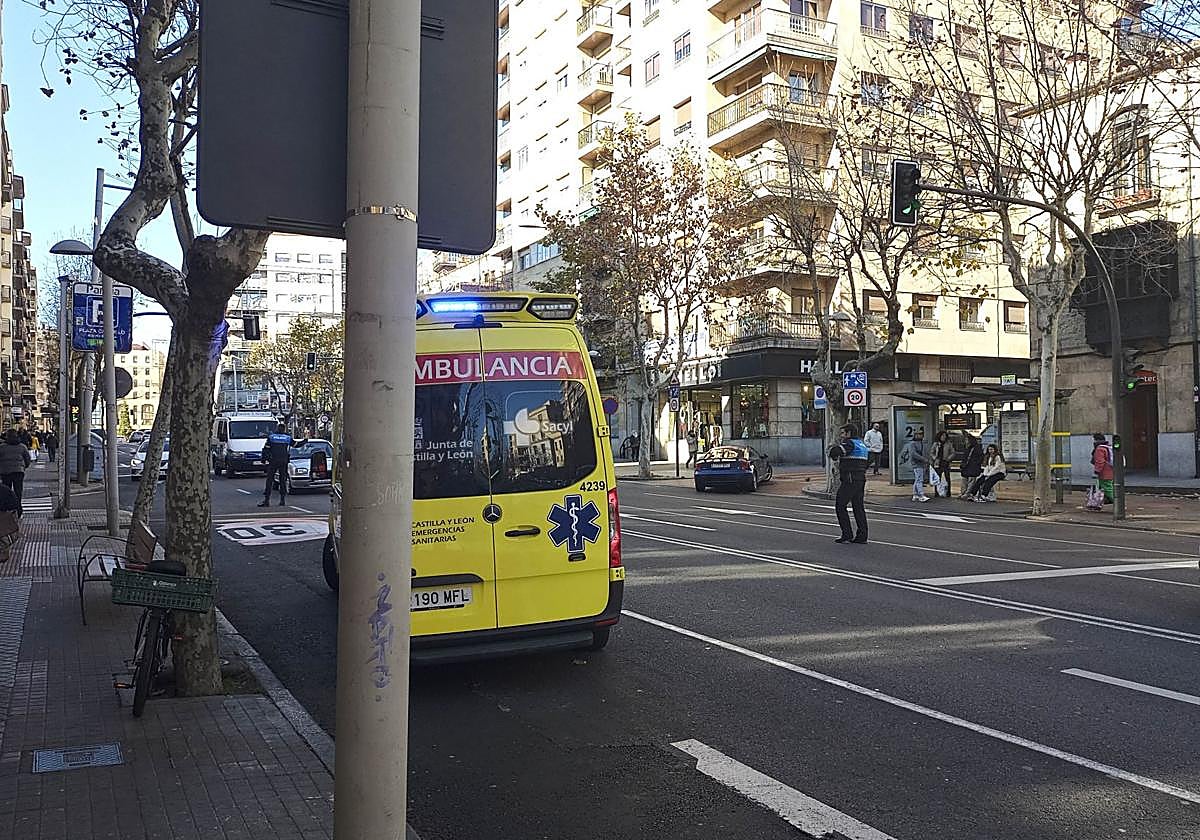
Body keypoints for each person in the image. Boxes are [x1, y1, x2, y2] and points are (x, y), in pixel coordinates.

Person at [829, 423, 870, 544]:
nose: (841, 436)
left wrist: (833, 452)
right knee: (858, 507)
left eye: (843, 433)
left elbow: (837, 451)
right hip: (860, 478)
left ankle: (846, 533)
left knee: (840, 505)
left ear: (849, 433)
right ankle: (862, 536)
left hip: (850, 478)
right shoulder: (862, 444)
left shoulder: (850, 443)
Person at [259, 424, 304, 507]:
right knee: (282, 480)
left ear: (277, 429)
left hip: (273, 461)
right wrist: (305, 441)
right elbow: (296, 445)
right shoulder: (287, 438)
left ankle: (267, 500)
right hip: (283, 461)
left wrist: (263, 459)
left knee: (269, 480)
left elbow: (266, 449)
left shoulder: (271, 437)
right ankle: (282, 500)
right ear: (284, 430)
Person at [0, 430, 31, 515]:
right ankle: (19, 509)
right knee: (18, 491)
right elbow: (27, 458)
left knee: (6, 491)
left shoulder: (2, 447)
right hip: (18, 471)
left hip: (5, 472)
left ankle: (6, 509)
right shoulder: (22, 446)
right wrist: (24, 466)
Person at [1091, 432, 1115, 503]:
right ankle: (1103, 501)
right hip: (1111, 471)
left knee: (1108, 489)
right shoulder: (1108, 446)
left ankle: (1118, 503)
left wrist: (1097, 471)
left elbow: (1100, 461)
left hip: (1104, 473)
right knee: (1105, 487)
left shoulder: (1099, 449)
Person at [909, 427, 931, 502]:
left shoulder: (922, 443)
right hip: (917, 463)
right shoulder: (913, 443)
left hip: (922, 463)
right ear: (915, 435)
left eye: (922, 434)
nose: (921, 435)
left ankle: (915, 494)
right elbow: (913, 454)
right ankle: (921, 495)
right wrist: (923, 459)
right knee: (919, 480)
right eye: (919, 434)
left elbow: (925, 452)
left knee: (917, 479)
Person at [959, 433, 983, 498]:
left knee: (971, 481)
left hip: (972, 467)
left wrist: (975, 463)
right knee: (965, 480)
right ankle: (964, 492)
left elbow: (980, 458)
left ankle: (967, 493)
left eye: (967, 440)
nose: (965, 441)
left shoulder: (976, 448)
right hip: (967, 467)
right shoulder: (967, 448)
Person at [933, 430, 955, 497]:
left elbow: (953, 452)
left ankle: (948, 492)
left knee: (947, 477)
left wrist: (948, 458)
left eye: (945, 436)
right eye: (942, 436)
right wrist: (935, 458)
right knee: (937, 478)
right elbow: (931, 452)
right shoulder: (936, 444)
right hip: (938, 462)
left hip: (946, 462)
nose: (944, 437)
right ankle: (937, 492)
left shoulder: (948, 444)